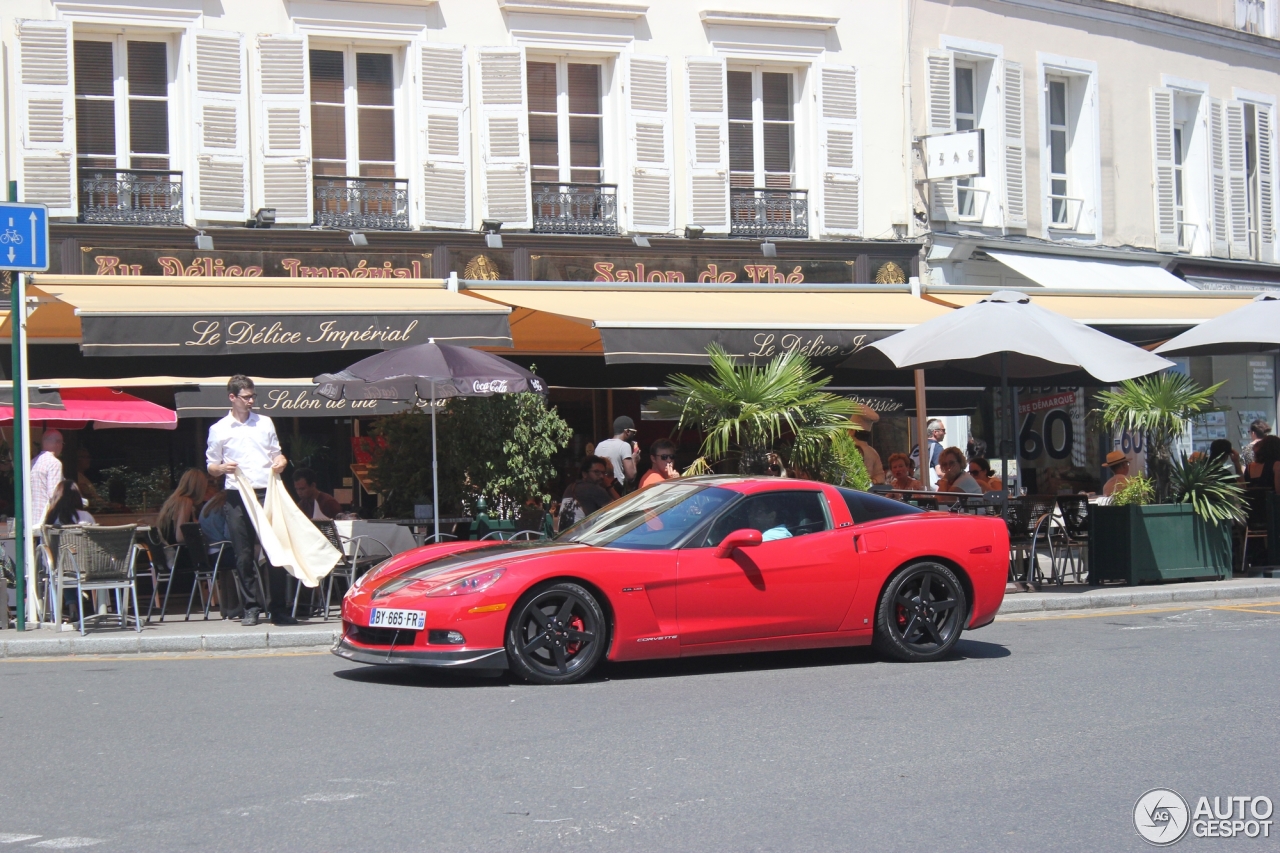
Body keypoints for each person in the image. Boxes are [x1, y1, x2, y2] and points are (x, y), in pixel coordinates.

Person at [206, 375, 291, 627]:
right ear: (232, 398)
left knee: (275, 551)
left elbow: (278, 454)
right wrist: (222, 468)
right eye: (246, 397)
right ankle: (251, 607)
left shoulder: (264, 423)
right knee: (243, 554)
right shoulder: (219, 428)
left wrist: (281, 462)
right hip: (237, 494)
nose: (251, 401)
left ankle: (278, 609)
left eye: (253, 396)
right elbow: (210, 466)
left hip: (266, 491)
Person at [558, 455, 615, 531]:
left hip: (564, 538)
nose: (602, 476)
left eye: (603, 473)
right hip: (582, 539)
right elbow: (619, 511)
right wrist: (609, 486)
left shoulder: (570, 487)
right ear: (584, 474)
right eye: (597, 472)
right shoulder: (595, 489)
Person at [157, 469, 210, 545]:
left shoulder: (174, 500)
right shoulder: (186, 502)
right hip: (179, 552)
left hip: (171, 550)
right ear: (199, 488)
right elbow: (180, 537)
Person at [31, 430, 65, 533]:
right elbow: (54, 496)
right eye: (62, 443)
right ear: (58, 443)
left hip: (32, 518)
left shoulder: (33, 462)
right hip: (47, 521)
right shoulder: (54, 463)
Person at [595, 416, 640, 491]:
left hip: (599, 489)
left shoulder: (600, 445)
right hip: (615, 490)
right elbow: (631, 476)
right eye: (634, 432)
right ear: (627, 432)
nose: (634, 435)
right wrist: (634, 460)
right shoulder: (624, 446)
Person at [850, 411, 885, 485]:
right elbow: (880, 476)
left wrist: (871, 482)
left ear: (852, 431)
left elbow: (880, 476)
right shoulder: (872, 452)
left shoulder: (844, 448)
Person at [911, 419, 947, 485]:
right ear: (935, 432)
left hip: (914, 484)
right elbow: (939, 472)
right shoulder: (937, 447)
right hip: (929, 488)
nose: (945, 433)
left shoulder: (916, 447)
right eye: (943, 430)